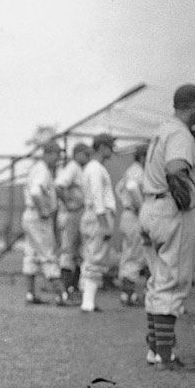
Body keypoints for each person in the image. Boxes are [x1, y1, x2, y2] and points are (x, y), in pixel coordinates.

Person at [139, 83, 195, 370]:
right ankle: (165, 356)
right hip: (169, 208)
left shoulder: (162, 128)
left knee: (158, 280)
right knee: (173, 280)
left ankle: (155, 349)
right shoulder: (180, 132)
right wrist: (188, 199)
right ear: (193, 105)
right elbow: (175, 169)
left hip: (150, 206)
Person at [20, 140, 67, 305]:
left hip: (29, 215)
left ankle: (30, 294)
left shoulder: (39, 169)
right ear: (47, 154)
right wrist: (44, 211)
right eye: (56, 154)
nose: (58, 158)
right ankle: (62, 295)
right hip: (38, 216)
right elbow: (35, 192)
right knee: (48, 254)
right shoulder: (43, 170)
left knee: (31, 254)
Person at [78, 133, 117, 312]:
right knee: (96, 258)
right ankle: (88, 302)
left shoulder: (92, 167)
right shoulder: (95, 168)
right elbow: (97, 196)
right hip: (97, 215)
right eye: (110, 146)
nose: (112, 149)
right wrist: (103, 223)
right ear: (101, 147)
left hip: (91, 214)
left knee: (90, 256)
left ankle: (87, 299)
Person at [54, 142, 91, 299]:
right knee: (69, 251)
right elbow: (58, 186)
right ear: (77, 153)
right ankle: (66, 287)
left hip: (78, 212)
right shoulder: (73, 166)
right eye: (85, 154)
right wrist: (68, 203)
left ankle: (72, 287)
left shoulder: (80, 168)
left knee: (76, 251)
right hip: (72, 213)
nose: (88, 157)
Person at [115, 143, 149, 306]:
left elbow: (119, 188)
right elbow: (131, 187)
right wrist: (140, 206)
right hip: (134, 215)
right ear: (142, 156)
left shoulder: (132, 170)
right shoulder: (137, 170)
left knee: (129, 253)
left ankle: (126, 294)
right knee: (134, 255)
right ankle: (128, 295)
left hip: (128, 214)